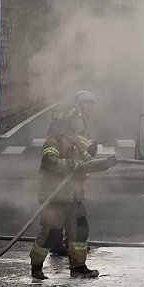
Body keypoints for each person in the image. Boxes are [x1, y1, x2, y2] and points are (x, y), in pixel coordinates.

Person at [30, 107, 109, 280]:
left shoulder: (76, 142)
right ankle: (36, 267)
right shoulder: (54, 141)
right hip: (56, 198)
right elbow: (48, 162)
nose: (81, 121)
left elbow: (83, 164)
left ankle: (78, 266)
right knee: (51, 234)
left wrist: (100, 160)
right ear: (68, 121)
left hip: (74, 197)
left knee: (80, 232)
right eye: (77, 118)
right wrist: (72, 164)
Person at [47, 90, 99, 257]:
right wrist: (84, 155)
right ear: (79, 104)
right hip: (66, 174)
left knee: (64, 211)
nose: (90, 107)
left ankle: (61, 244)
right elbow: (72, 149)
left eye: (92, 104)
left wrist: (89, 153)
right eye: (87, 103)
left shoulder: (77, 120)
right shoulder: (75, 120)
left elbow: (79, 149)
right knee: (71, 213)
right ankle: (71, 248)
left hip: (71, 174)